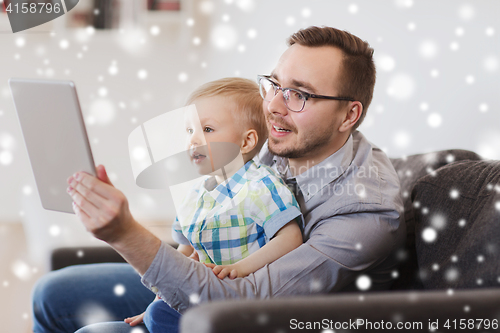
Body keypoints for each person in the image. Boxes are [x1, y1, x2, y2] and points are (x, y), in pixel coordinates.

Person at [32, 26, 406, 333]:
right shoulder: (280, 140)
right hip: (216, 273)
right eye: (275, 85)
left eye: (299, 95)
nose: (273, 106)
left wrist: (125, 234)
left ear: (348, 115)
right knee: (50, 294)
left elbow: (237, 304)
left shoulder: (366, 212)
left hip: (251, 317)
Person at [123, 77, 304, 329]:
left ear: (246, 142)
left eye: (207, 130)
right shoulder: (194, 196)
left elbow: (291, 237)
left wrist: (240, 268)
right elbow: (183, 253)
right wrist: (161, 298)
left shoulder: (260, 184)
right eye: (190, 131)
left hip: (244, 301)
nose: (193, 141)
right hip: (203, 295)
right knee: (157, 313)